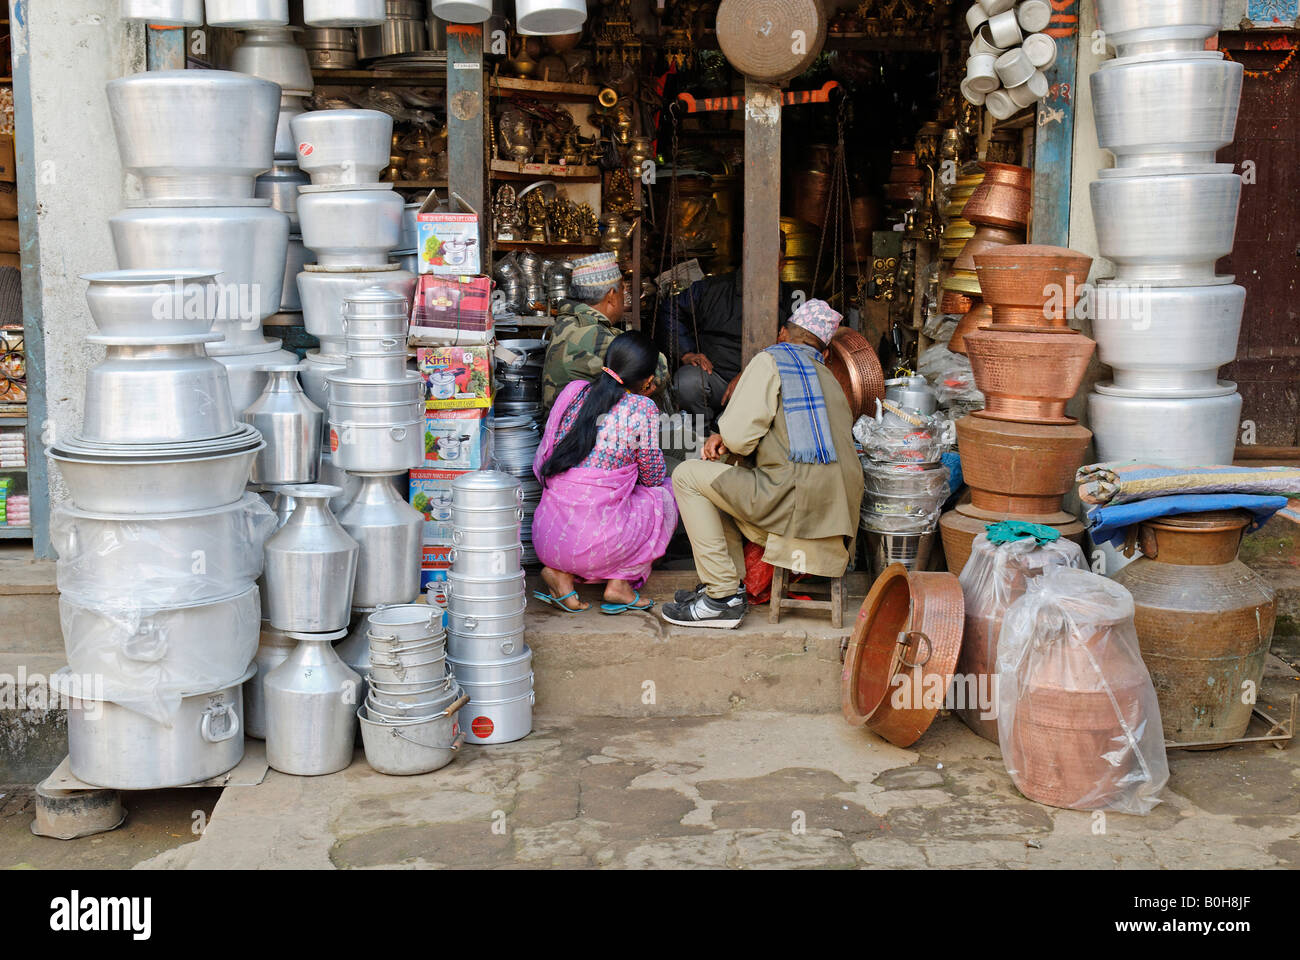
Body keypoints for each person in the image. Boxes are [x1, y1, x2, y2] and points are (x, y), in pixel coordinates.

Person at [662, 299, 864, 629]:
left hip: (790, 506)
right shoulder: (830, 378)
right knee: (722, 480)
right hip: (837, 514)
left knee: (687, 475)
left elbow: (740, 438)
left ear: (783, 334)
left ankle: (722, 598)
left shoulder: (772, 360)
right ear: (824, 351)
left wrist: (722, 436)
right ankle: (729, 585)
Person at [531, 331, 678, 614]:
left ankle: (560, 574)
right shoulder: (642, 408)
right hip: (598, 548)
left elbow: (542, 465)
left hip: (547, 539)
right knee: (667, 493)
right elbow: (653, 477)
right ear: (648, 381)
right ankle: (620, 583)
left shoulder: (573, 391)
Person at [655, 234, 795, 423]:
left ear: (781, 266)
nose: (761, 268)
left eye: (770, 262)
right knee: (687, 382)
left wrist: (749, 376)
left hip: (764, 381)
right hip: (715, 377)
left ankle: (729, 428)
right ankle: (704, 434)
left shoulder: (791, 298)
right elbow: (671, 309)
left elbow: (799, 346)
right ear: (745, 259)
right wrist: (686, 352)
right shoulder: (712, 289)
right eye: (756, 260)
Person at [541, 250, 668, 408]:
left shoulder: (567, 323)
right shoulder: (593, 334)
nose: (624, 294)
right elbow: (659, 368)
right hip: (584, 430)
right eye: (622, 289)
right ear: (611, 296)